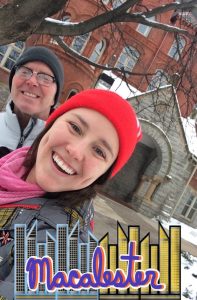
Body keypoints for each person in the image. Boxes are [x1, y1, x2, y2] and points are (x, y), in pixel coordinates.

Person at [0, 89, 142, 299]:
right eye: (75, 127)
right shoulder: (7, 163)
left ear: (102, 175)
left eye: (99, 151)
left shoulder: (67, 251)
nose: (75, 151)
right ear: (53, 122)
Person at [0, 46, 64, 158]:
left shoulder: (59, 150)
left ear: (55, 97)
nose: (32, 81)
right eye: (25, 72)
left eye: (45, 78)